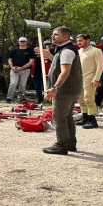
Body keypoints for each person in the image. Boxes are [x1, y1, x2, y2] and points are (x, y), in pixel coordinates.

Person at [41, 26, 83, 155]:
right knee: (67, 116)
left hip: (65, 90)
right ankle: (70, 143)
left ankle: (61, 145)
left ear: (65, 37)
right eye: (53, 34)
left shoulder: (67, 51)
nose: (52, 36)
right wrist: (51, 56)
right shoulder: (64, 50)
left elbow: (65, 72)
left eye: (56, 34)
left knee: (59, 118)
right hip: (71, 89)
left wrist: (55, 88)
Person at [76, 34, 103, 129]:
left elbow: (100, 66)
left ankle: (92, 120)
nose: (78, 43)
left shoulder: (96, 51)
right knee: (80, 98)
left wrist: (96, 78)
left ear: (87, 40)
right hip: (79, 78)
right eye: (77, 41)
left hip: (90, 78)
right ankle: (85, 118)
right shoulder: (78, 51)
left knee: (89, 98)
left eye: (80, 40)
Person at [6, 37, 35, 103]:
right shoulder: (14, 50)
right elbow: (10, 59)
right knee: (13, 83)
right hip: (14, 69)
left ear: (26, 42)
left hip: (25, 70)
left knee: (22, 85)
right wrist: (12, 67)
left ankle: (21, 98)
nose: (22, 43)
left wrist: (22, 68)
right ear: (19, 42)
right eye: (21, 41)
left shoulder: (30, 51)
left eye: (24, 41)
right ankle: (9, 98)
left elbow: (31, 61)